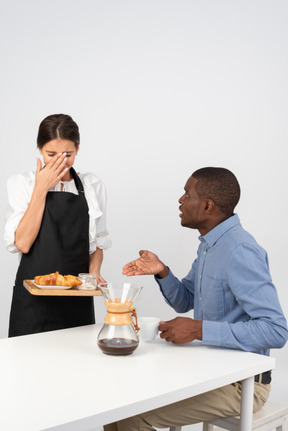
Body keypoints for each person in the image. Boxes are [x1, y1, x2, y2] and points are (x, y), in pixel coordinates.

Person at [104, 167, 288, 431]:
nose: (180, 200)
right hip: (207, 370)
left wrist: (198, 329)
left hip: (243, 385)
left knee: (133, 416)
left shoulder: (240, 250)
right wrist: (162, 271)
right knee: (117, 405)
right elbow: (185, 300)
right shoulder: (208, 245)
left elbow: (276, 330)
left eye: (186, 194)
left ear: (207, 205)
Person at [5, 113, 111, 337]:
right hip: (33, 302)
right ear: (39, 149)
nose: (60, 161)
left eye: (68, 154)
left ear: (78, 149)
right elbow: (22, 243)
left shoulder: (92, 186)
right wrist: (41, 188)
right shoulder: (22, 184)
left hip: (77, 298)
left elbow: (97, 242)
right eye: (51, 154)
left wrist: (93, 273)